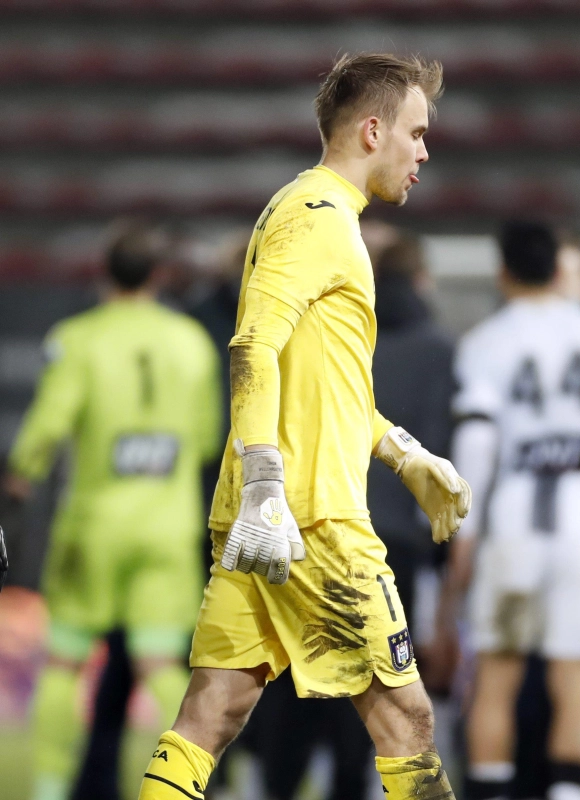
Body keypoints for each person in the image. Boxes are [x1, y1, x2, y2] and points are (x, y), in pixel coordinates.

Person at [131, 53, 472, 800]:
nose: (423, 152)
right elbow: (253, 344)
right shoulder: (319, 220)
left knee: (210, 715)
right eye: (415, 133)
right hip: (311, 519)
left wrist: (400, 450)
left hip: (275, 513)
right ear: (373, 129)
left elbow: (320, 379)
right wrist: (265, 483)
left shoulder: (311, 212)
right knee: (408, 724)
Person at [439, 220, 580, 800]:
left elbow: (476, 450)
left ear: (503, 271)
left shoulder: (485, 343)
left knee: (496, 680)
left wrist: (461, 544)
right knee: (578, 681)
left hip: (511, 537)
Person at [1, 226, 223, 800]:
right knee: (160, 661)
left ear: (105, 273)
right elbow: (204, 438)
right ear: (158, 276)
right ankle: (182, 786)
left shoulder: (79, 339)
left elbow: (47, 426)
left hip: (93, 526)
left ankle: (50, 790)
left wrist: (20, 475)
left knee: (64, 660)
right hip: (167, 528)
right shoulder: (192, 342)